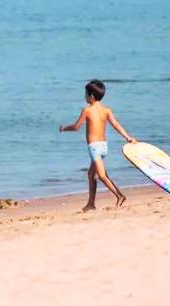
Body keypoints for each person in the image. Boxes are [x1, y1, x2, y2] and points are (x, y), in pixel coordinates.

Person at [58, 79, 138, 211]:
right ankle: (91, 204)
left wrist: (64, 128)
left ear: (91, 96)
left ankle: (119, 196)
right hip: (103, 146)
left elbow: (77, 127)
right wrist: (128, 137)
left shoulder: (87, 111)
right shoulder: (106, 110)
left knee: (101, 176)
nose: (84, 96)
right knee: (91, 175)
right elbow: (116, 125)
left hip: (94, 148)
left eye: (85, 94)